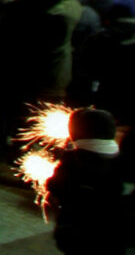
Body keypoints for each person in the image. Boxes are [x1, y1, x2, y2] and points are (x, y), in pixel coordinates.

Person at [51, 106, 128, 254]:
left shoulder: (75, 161)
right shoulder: (118, 158)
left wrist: (66, 155)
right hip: (113, 235)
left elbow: (55, 186)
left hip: (79, 236)